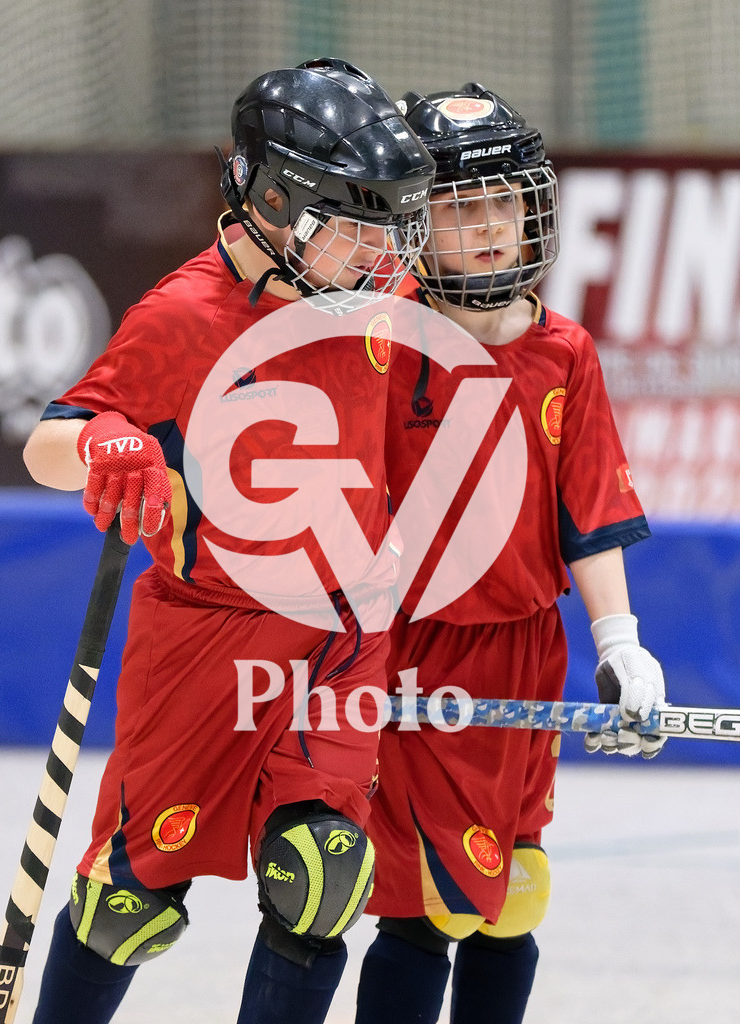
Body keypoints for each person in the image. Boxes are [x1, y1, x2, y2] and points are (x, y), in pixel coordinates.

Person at [21, 57, 435, 1024]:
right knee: (129, 904)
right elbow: (48, 443)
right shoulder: (186, 315)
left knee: (322, 877)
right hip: (208, 633)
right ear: (274, 203)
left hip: (342, 634)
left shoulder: (378, 294)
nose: (385, 256)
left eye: (391, 228)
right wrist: (102, 438)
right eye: (358, 226)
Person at [354, 84, 667, 1024]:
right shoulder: (376, 340)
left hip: (530, 652)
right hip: (416, 652)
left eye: (505, 201)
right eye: (458, 206)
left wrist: (620, 643)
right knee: (426, 909)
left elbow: (592, 513)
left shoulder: (566, 352)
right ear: (415, 221)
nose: (489, 225)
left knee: (515, 896)